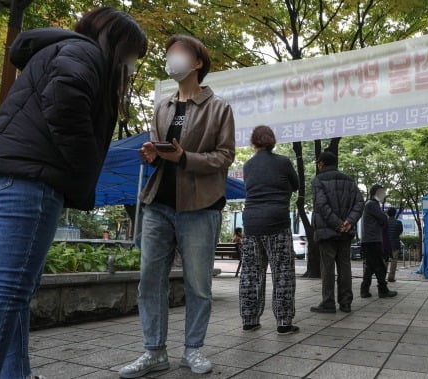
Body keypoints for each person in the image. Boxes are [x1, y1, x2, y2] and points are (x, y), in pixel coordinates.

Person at [0, 8, 147, 379]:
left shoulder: (60, 51)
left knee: (15, 294)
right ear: (116, 42)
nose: (131, 65)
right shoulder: (84, 53)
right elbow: (65, 102)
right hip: (32, 178)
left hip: (12, 174)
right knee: (4, 294)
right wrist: (83, 163)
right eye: (132, 54)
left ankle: (17, 374)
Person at [119, 34, 235, 377]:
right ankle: (154, 351)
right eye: (169, 53)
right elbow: (161, 152)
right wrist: (153, 156)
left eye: (179, 53)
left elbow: (225, 157)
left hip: (200, 205)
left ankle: (193, 350)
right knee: (150, 281)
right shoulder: (162, 106)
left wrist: (185, 157)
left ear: (197, 62)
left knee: (198, 284)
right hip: (158, 203)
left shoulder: (218, 107)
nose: (172, 58)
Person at [239, 126, 300, 334]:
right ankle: (284, 322)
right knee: (282, 272)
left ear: (253, 142)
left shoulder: (248, 165)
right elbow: (296, 185)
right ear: (272, 141)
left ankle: (249, 320)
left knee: (251, 273)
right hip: (277, 222)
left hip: (251, 223)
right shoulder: (283, 162)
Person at [310, 151, 365, 314]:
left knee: (327, 267)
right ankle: (346, 303)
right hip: (345, 232)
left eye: (318, 163)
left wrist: (337, 224)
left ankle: (328, 302)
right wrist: (349, 222)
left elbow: (321, 205)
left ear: (322, 164)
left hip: (327, 231)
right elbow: (360, 203)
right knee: (345, 266)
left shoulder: (318, 180)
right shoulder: (349, 180)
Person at [360, 184, 398, 298]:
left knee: (371, 266)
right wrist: (382, 221)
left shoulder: (370, 204)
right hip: (373, 240)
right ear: (374, 194)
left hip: (370, 240)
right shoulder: (372, 204)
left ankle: (364, 290)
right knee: (380, 265)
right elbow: (383, 218)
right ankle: (383, 290)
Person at [386, 207, 404, 282]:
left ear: (387, 213)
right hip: (395, 244)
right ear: (395, 213)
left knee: (385, 261)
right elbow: (400, 232)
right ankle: (391, 277)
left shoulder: (384, 222)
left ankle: (382, 276)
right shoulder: (399, 223)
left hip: (386, 245)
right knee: (394, 261)